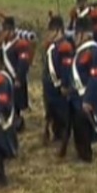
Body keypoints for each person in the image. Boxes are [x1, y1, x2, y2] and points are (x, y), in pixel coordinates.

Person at [61, 16, 97, 162]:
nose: (75, 37)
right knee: (77, 129)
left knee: (84, 129)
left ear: (84, 34)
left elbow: (96, 78)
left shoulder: (93, 52)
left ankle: (86, 156)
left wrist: (88, 100)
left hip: (85, 98)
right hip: (75, 98)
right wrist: (69, 89)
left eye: (77, 34)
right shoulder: (80, 52)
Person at [42, 13, 74, 144]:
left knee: (62, 115)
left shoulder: (64, 47)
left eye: (51, 31)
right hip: (50, 88)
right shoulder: (53, 47)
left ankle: (63, 137)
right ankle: (56, 133)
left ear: (57, 31)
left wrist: (65, 85)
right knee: (52, 113)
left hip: (58, 88)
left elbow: (65, 69)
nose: (49, 34)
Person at [0, 15, 32, 131]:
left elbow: (23, 63)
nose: (3, 32)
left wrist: (18, 78)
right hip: (7, 79)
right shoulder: (4, 44)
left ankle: (18, 123)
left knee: (16, 104)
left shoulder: (20, 44)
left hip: (15, 78)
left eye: (5, 30)